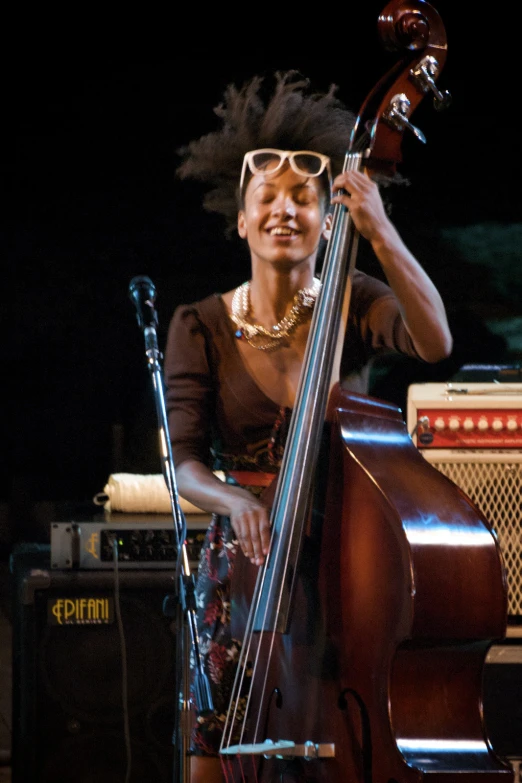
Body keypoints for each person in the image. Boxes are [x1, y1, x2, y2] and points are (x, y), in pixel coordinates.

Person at [164, 70, 453, 783]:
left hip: (345, 561)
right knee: (217, 751)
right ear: (241, 219)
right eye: (267, 197)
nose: (284, 210)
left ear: (330, 220)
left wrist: (379, 227)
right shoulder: (199, 324)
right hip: (243, 571)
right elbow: (186, 461)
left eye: (304, 198)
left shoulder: (352, 299)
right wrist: (235, 501)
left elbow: (434, 340)